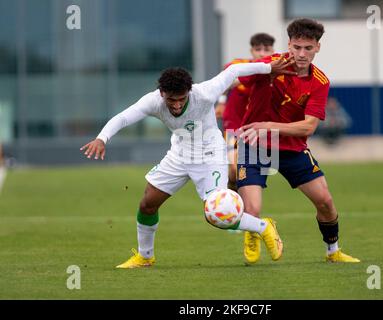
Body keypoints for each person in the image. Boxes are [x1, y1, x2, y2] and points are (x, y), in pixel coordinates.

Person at [80, 59, 295, 268]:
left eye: (181, 99)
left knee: (217, 214)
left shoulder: (204, 92)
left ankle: (263, 226)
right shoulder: (153, 101)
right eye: (171, 100)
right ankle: (145, 257)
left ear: (189, 92)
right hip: (180, 155)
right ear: (162, 94)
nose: (176, 104)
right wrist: (102, 138)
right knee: (147, 204)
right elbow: (123, 118)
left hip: (210, 155)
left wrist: (268, 68)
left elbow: (234, 70)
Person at [237, 18, 360, 264]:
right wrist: (264, 71)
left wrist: (270, 126)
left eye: (308, 48)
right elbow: (240, 75)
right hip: (254, 145)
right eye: (296, 47)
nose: (301, 54)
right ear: (289, 44)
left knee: (325, 201)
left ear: (317, 48)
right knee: (252, 209)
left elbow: (309, 126)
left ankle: (332, 251)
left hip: (292, 149)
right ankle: (257, 228)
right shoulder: (272, 63)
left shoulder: (320, 82)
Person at [215, 33, 276, 191]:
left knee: (250, 174)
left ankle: (239, 207)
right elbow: (223, 82)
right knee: (234, 170)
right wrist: (221, 102)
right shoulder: (239, 65)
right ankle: (230, 194)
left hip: (257, 130)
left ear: (273, 50)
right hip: (233, 126)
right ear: (251, 50)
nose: (262, 53)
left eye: (266, 49)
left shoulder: (275, 71)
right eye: (258, 49)